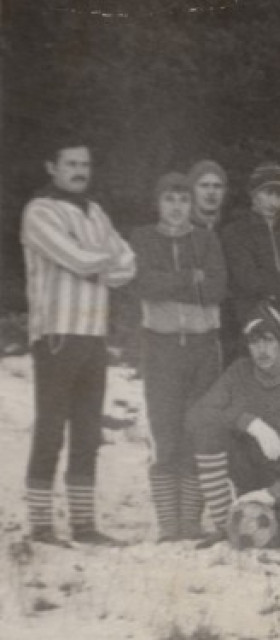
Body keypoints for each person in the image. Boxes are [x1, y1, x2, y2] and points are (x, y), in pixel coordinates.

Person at [21, 137, 136, 546]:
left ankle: (84, 525)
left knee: (87, 432)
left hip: (93, 335)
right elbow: (76, 258)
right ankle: (40, 525)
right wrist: (96, 261)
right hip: (57, 333)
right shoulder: (39, 211)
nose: (79, 171)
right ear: (51, 166)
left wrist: (94, 262)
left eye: (84, 164)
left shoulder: (96, 212)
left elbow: (128, 263)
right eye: (70, 163)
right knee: (51, 428)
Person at [128, 172, 227, 542]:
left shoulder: (206, 238)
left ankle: (190, 519)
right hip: (161, 345)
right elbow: (144, 284)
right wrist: (191, 278)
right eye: (169, 199)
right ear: (158, 203)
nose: (177, 207)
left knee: (196, 428)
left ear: (191, 204)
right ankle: (169, 523)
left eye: (183, 200)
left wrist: (172, 281)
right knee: (165, 429)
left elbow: (217, 289)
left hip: (202, 346)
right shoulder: (143, 237)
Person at [186, 303, 280, 547]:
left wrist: (275, 493)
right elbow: (197, 415)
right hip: (250, 472)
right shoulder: (239, 372)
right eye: (254, 342)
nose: (262, 350)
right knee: (207, 430)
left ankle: (264, 521)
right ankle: (227, 523)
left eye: (269, 340)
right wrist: (248, 422)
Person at [220, 163, 280, 362]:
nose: (274, 202)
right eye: (268, 193)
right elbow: (249, 280)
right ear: (253, 193)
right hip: (251, 323)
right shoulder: (236, 232)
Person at [187, 160, 228, 231]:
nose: (211, 192)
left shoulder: (233, 229)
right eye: (204, 185)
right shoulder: (180, 228)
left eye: (217, 186)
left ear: (224, 191)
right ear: (192, 190)